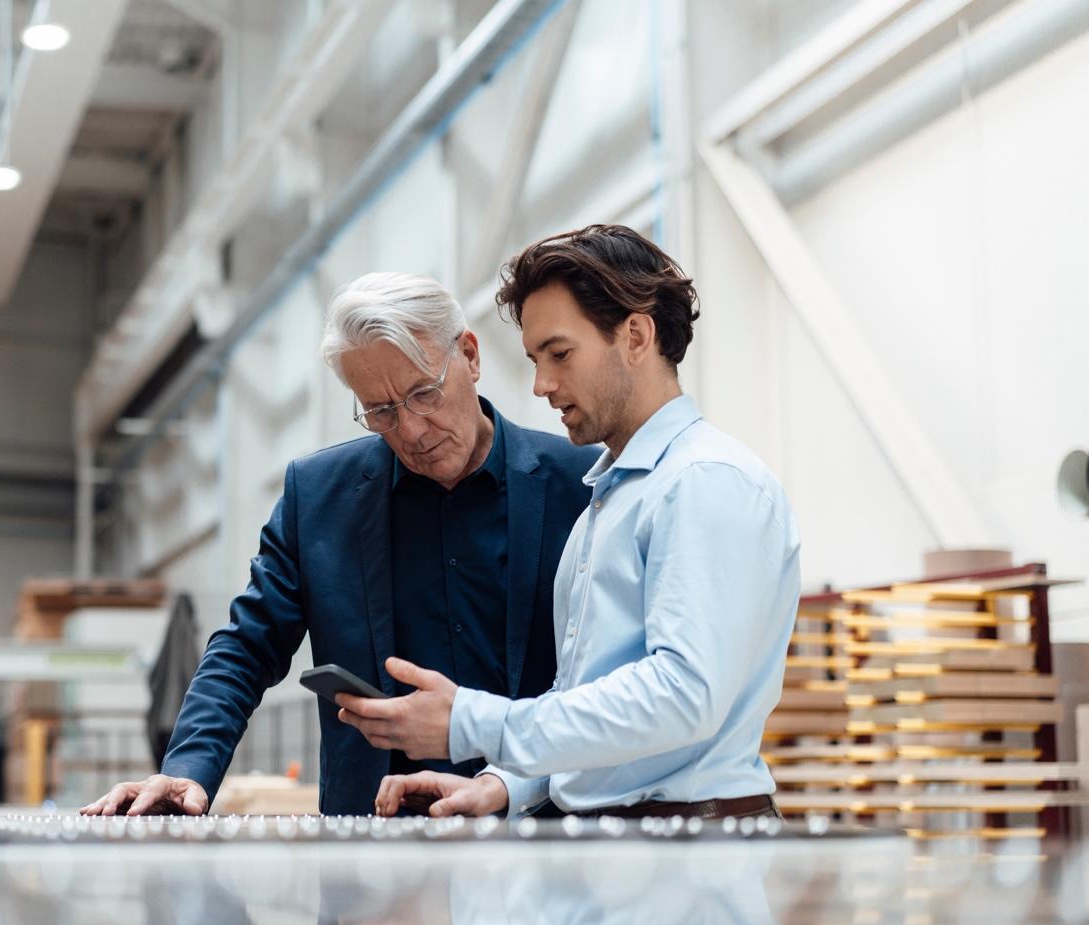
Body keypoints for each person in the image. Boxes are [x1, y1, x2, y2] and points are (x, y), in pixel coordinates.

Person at [81, 273, 598, 817]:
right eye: (381, 411)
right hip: (373, 849)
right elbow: (246, 646)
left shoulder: (581, 483)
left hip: (540, 834)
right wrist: (186, 769)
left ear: (470, 356)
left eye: (424, 393)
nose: (412, 430)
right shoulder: (320, 497)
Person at [338, 225, 801, 821]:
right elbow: (588, 709)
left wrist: (474, 721)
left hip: (690, 844)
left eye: (560, 354)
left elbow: (684, 696)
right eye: (535, 360)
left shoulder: (704, 481)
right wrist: (506, 784)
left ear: (635, 335)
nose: (541, 385)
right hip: (628, 846)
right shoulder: (609, 503)